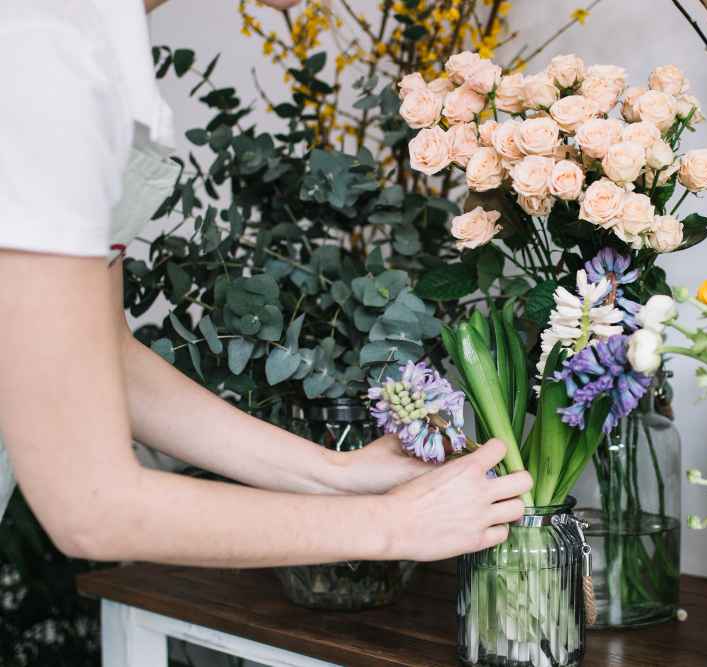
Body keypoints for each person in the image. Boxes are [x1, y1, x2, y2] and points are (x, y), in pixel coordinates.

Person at [0, 0, 530, 567]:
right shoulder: (43, 50)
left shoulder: (79, 36)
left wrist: (339, 474)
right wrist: (395, 525)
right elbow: (92, 510)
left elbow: (101, 354)